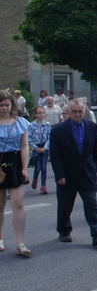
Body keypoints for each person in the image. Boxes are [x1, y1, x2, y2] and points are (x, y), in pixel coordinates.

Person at [49, 98, 97, 245]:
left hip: (87, 172)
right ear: (68, 112)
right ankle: (64, 231)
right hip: (67, 174)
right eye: (74, 111)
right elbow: (55, 156)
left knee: (91, 203)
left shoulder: (92, 127)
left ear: (85, 111)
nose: (77, 114)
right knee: (65, 205)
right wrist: (60, 175)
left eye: (80, 111)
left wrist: (94, 169)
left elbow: (94, 150)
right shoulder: (58, 130)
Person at [0, 91, 30, 256]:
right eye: (1, 105)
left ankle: (20, 242)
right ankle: (0, 239)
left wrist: (24, 168)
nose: (4, 108)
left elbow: (24, 146)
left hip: (15, 163)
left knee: (18, 204)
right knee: (0, 205)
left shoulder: (21, 123)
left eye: (6, 105)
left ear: (11, 105)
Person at [28, 106, 51, 194]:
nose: (41, 114)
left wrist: (45, 147)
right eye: (39, 113)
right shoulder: (31, 125)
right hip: (36, 147)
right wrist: (35, 147)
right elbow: (29, 138)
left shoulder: (47, 124)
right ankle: (35, 179)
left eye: (42, 112)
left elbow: (49, 137)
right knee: (37, 168)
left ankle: (43, 186)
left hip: (44, 147)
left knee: (44, 167)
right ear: (35, 114)